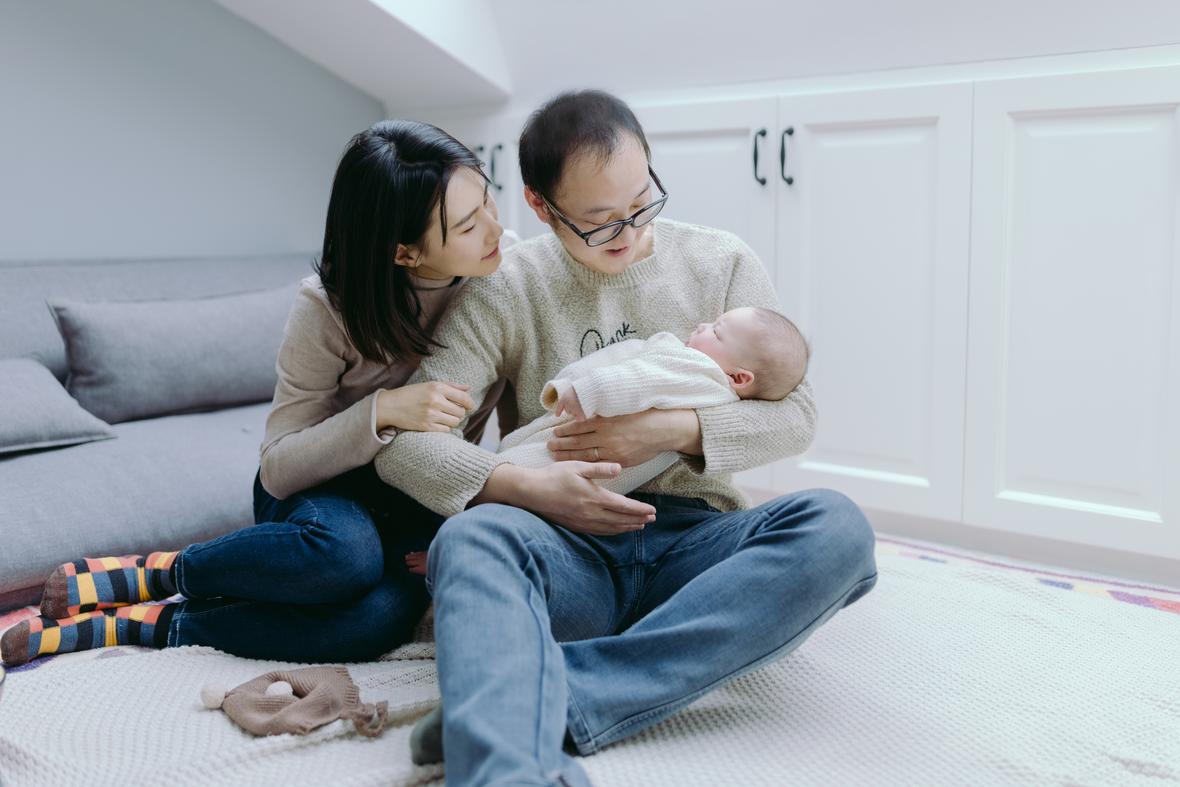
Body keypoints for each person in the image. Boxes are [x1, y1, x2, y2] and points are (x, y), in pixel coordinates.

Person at [373, 90, 879, 787]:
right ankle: (509, 762)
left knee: (837, 529)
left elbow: (797, 415)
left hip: (696, 545)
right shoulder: (505, 287)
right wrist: (526, 487)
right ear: (541, 206)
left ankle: (535, 698)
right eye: (600, 221)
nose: (630, 232)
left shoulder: (721, 263)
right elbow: (404, 445)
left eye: (642, 203)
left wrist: (668, 430)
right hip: (567, 549)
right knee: (468, 539)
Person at [0, 120, 507, 667]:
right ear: (404, 253)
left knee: (373, 622)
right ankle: (162, 574)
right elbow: (279, 468)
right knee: (345, 557)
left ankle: (148, 624)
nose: (496, 229)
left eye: (487, 199)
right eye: (468, 225)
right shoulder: (328, 309)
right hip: (322, 490)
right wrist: (382, 411)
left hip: (418, 495)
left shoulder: (508, 276)